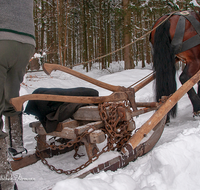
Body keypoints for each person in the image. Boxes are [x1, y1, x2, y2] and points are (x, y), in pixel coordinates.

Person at [0, 1, 35, 189]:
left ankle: (2, 179)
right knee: (12, 96)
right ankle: (17, 147)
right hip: (26, 42)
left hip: (2, 36)